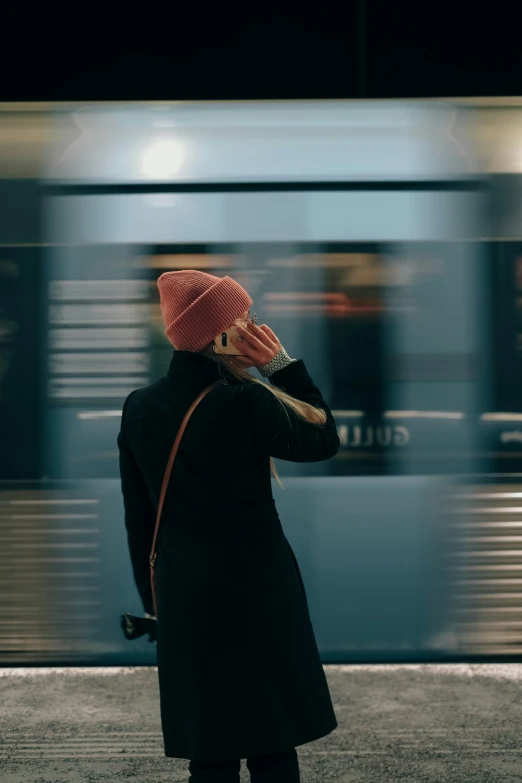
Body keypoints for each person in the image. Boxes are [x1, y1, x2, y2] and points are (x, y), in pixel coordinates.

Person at [117, 270, 340, 783]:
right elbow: (323, 439)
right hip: (257, 594)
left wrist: (156, 602)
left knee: (210, 752)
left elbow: (139, 517)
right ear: (216, 335)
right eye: (244, 320)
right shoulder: (247, 401)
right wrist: (280, 366)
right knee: (271, 747)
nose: (256, 328)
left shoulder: (140, 408)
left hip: (185, 596)